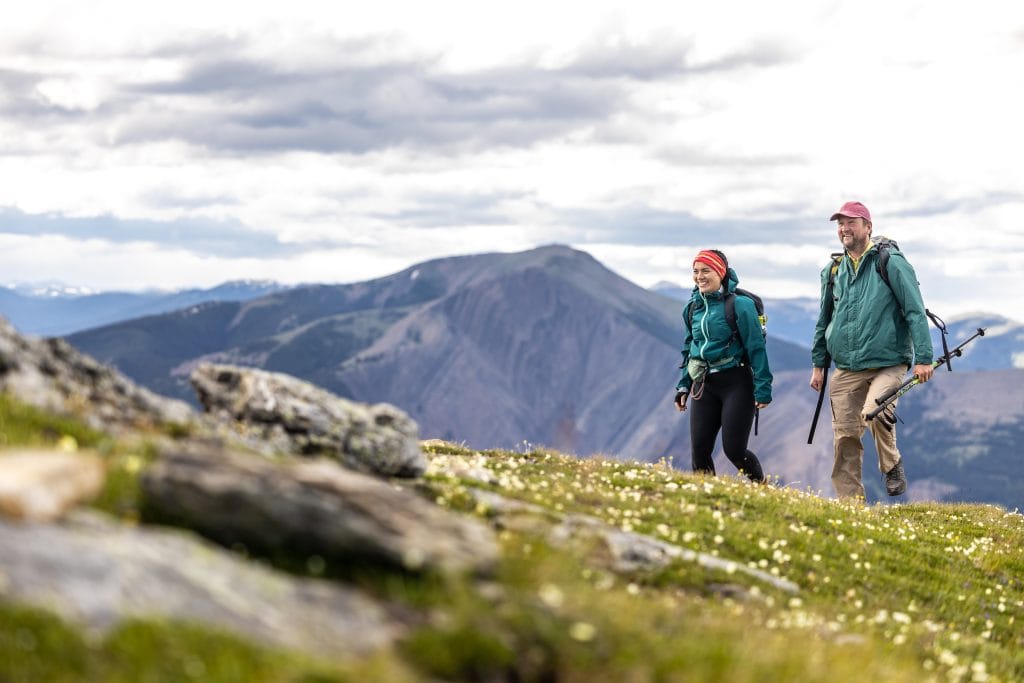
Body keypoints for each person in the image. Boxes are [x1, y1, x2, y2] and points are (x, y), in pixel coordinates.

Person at [810, 201, 934, 499]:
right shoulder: (833, 269)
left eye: (851, 222)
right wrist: (818, 364)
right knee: (846, 436)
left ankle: (891, 463)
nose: (844, 228)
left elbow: (915, 310)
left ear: (868, 227)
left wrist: (924, 358)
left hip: (889, 362)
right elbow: (824, 318)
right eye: (840, 223)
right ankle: (849, 504)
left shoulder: (890, 262)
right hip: (847, 366)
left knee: (875, 411)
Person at [674, 249, 772, 482]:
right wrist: (683, 386)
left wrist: (763, 388)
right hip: (704, 384)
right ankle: (706, 500)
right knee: (699, 450)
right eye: (696, 272)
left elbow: (756, 348)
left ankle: (762, 488)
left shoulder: (741, 305)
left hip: (736, 382)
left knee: (734, 450)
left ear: (721, 272)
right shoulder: (691, 308)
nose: (700, 277)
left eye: (706, 270)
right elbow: (691, 348)